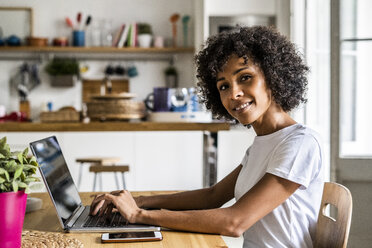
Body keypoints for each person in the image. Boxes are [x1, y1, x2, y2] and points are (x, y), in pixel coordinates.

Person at [90, 26, 324, 248]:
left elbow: (235, 222)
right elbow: (212, 196)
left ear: (273, 77)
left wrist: (139, 215)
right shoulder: (261, 144)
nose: (234, 94)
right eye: (223, 86)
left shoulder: (300, 143)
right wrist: (137, 201)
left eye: (245, 77)